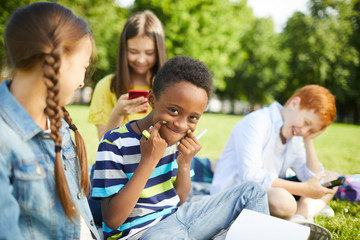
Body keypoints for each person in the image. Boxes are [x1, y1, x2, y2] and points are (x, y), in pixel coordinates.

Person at [91, 56, 269, 240]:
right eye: (174, 111)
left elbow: (179, 199)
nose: (182, 125)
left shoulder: (175, 141)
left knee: (252, 192)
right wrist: (149, 161)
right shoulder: (114, 142)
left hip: (178, 221)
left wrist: (184, 163)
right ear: (152, 99)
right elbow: (112, 220)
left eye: (193, 118)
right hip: (141, 234)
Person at [0, 2, 100, 239]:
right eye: (83, 67)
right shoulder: (4, 141)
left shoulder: (58, 123)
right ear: (58, 58)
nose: (82, 83)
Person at [211, 85, 337, 237]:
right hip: (236, 197)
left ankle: (299, 218)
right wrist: (304, 189)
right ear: (294, 103)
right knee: (284, 201)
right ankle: (295, 217)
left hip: (267, 193)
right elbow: (252, 178)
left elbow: (314, 178)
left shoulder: (294, 135)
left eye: (311, 130)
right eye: (306, 123)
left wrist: (309, 140)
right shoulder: (257, 121)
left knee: (330, 177)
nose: (303, 131)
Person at [88, 10, 166, 140]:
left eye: (149, 53)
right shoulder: (106, 86)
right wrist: (118, 113)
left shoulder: (168, 87)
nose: (141, 59)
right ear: (124, 50)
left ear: (158, 52)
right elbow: (103, 144)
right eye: (134, 52)